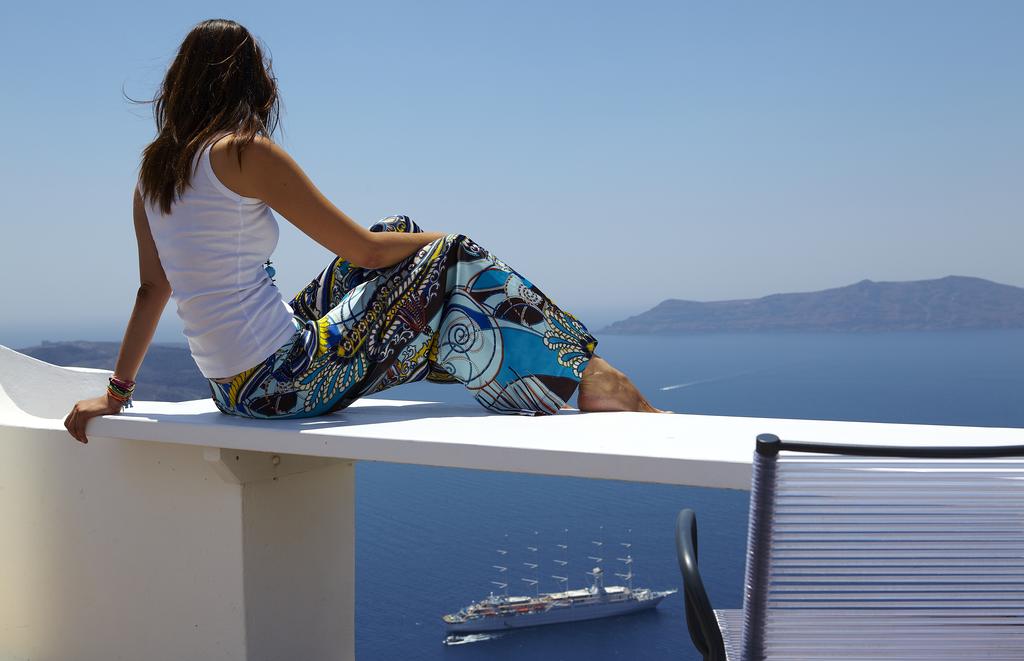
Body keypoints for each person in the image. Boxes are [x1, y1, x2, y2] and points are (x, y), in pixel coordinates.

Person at [63, 18, 662, 444]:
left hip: (233, 389)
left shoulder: (154, 173)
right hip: (285, 383)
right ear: (249, 82)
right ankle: (586, 376)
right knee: (451, 254)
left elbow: (153, 289)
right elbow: (364, 252)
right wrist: (447, 241)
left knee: (398, 229)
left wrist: (116, 395)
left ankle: (540, 371)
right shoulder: (244, 152)